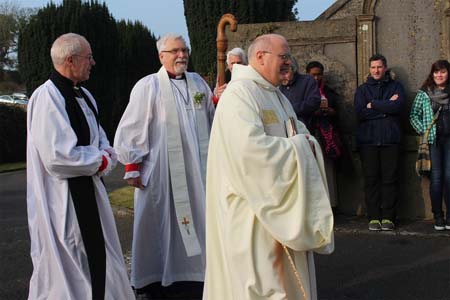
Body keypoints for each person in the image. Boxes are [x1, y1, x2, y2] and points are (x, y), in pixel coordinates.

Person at [203, 33, 334, 300]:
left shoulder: (277, 96)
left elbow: (301, 133)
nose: (289, 62)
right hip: (253, 215)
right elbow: (249, 153)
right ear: (260, 57)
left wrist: (305, 144)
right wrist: (300, 148)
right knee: (262, 285)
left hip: (279, 206)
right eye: (283, 56)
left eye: (289, 57)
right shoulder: (239, 95)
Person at [26, 33, 134, 300]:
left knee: (100, 256)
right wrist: (101, 159)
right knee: (71, 260)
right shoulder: (47, 98)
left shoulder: (84, 95)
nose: (93, 63)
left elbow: (101, 139)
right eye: (88, 57)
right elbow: (58, 157)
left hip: (90, 190)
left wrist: (105, 155)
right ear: (70, 60)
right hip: (62, 199)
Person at [114, 33, 215, 298]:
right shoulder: (149, 86)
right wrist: (132, 164)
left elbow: (212, 118)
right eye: (175, 51)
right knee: (159, 220)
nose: (181, 55)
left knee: (200, 214)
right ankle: (154, 278)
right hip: (161, 169)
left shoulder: (198, 83)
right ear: (162, 56)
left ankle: (197, 273)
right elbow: (134, 124)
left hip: (197, 169)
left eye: (184, 50)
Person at [354, 54, 405, 231]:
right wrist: (385, 108)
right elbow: (360, 113)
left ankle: (388, 218)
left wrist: (373, 104)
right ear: (369, 69)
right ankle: (374, 217)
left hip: (391, 140)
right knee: (371, 180)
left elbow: (398, 107)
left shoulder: (396, 86)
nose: (376, 70)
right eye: (373, 67)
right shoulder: (362, 90)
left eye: (379, 67)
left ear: (385, 68)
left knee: (390, 180)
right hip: (368, 141)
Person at [410, 59, 450, 231]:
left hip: (449, 141)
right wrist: (424, 131)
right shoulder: (424, 93)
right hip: (433, 141)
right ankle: (438, 216)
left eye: (442, 72)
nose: (439, 75)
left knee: (449, 178)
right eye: (436, 72)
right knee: (437, 178)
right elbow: (413, 116)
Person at [307, 61, 341, 208]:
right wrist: (314, 112)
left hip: (327, 137)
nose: (316, 78)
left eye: (319, 74)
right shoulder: (305, 92)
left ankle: (330, 204)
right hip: (311, 133)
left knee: (327, 171)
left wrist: (331, 111)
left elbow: (338, 113)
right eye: (313, 75)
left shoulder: (329, 92)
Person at [279, 56, 321, 133]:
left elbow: (314, 102)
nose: (282, 75)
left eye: (285, 71)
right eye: (280, 72)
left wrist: (289, 109)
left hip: (303, 129)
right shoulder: (278, 84)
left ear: (293, 70)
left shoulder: (307, 80)